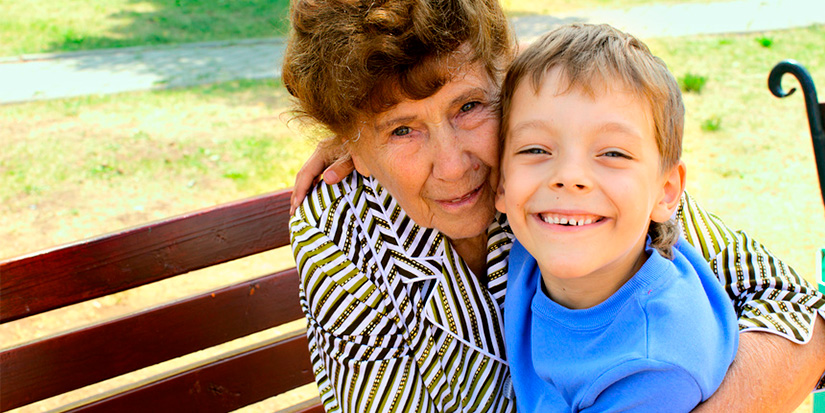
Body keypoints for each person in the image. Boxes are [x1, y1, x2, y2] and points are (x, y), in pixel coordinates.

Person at [283, 1, 825, 412]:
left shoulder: (564, 163)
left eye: (469, 106)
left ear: (506, 76)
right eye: (402, 129)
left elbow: (797, 309)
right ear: (352, 143)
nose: (452, 166)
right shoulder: (340, 229)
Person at [495, 23, 738, 412]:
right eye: (536, 149)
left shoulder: (653, 368)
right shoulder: (534, 237)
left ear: (666, 193)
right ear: (501, 183)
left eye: (613, 154)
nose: (569, 176)